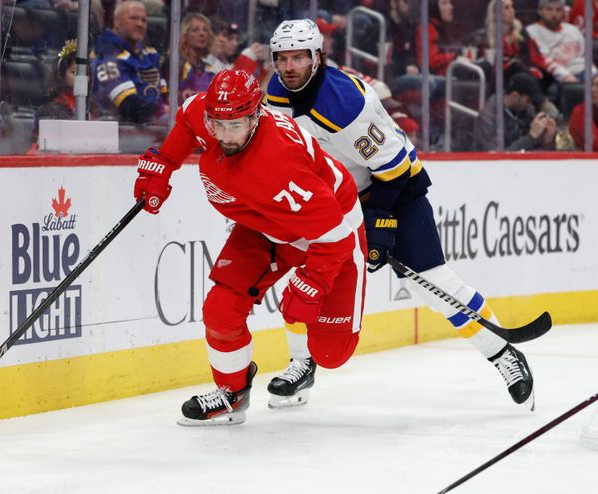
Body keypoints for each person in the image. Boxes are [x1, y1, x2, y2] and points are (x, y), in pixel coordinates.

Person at [265, 19, 536, 410]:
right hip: (336, 198)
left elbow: (393, 168)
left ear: (317, 57)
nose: (289, 67)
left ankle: (503, 353)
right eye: (282, 58)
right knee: (307, 278)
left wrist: (379, 223)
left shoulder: (344, 103)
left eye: (298, 58)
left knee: (431, 282)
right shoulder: (276, 92)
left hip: (395, 188)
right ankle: (301, 363)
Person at [133, 69, 367, 424]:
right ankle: (232, 394)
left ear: (256, 117)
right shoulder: (210, 114)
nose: (225, 136)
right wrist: (164, 164)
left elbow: (334, 237)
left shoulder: (280, 165)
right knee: (221, 309)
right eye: (218, 125)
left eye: (236, 126)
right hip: (263, 224)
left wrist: (313, 280)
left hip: (329, 230)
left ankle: (306, 361)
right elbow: (186, 120)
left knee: (332, 352)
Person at [91, 0, 167, 124]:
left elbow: (165, 96)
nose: (140, 24)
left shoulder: (150, 54)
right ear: (117, 21)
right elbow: (129, 106)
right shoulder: (104, 54)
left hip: (153, 130)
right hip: (117, 131)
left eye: (144, 20)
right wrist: (162, 111)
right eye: (133, 18)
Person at [474, 71, 557, 151]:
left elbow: (534, 151)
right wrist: (531, 137)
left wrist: (547, 141)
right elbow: (498, 157)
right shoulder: (488, 117)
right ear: (515, 96)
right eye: (528, 100)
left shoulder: (527, 111)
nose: (530, 105)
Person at [568, 75, 598, 151]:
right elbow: (594, 144)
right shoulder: (581, 111)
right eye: (592, 85)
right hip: (587, 160)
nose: (593, 89)